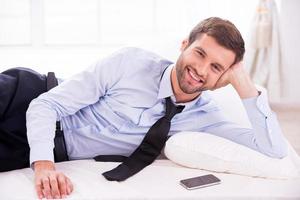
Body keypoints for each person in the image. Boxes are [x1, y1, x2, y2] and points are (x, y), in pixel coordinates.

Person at [0, 17, 287, 199]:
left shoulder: (207, 120)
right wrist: (44, 165)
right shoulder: (131, 63)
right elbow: (46, 105)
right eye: (199, 53)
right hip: (28, 95)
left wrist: (244, 85)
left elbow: (273, 149)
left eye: (216, 67)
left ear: (224, 76)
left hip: (42, 145)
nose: (200, 70)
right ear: (184, 45)